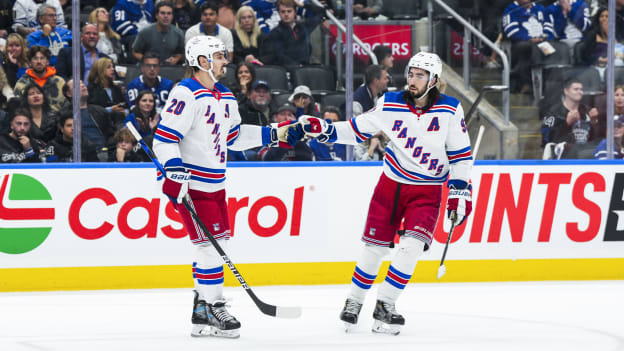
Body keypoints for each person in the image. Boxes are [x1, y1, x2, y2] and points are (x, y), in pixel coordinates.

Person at [294, 52, 473, 334]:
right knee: (374, 248)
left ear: (434, 80)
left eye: (419, 75)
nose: (412, 80)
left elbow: (461, 156)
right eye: (410, 74)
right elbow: (356, 131)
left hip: (427, 191)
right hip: (391, 186)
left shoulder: (450, 109)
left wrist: (460, 192)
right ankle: (353, 301)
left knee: (411, 247)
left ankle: (385, 305)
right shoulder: (390, 103)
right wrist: (324, 129)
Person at [152, 35, 297, 338]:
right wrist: (175, 173)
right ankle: (213, 306)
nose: (224, 61)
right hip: (192, 184)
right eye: (218, 56)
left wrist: (273, 135)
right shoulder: (186, 93)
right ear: (203, 61)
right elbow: (164, 140)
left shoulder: (225, 95)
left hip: (216, 184)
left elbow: (233, 138)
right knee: (210, 247)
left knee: (211, 246)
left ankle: (201, 310)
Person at [502, 0, 554, 93]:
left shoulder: (540, 8)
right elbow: (511, 31)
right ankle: (527, 83)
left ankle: (548, 85)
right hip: (521, 43)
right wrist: (529, 39)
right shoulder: (511, 9)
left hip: (542, 41)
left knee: (554, 49)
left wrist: (545, 37)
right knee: (528, 48)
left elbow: (549, 24)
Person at [541, 77, 599, 159]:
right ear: (566, 91)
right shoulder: (554, 112)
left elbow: (595, 139)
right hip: (562, 157)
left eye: (581, 89)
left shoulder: (587, 111)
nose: (580, 92)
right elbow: (546, 140)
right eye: (576, 89)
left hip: (586, 154)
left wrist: (594, 122)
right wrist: (566, 123)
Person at [268, 0, 324, 66]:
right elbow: (280, 56)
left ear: (295, 12)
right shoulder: (275, 33)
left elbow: (322, 12)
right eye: (283, 12)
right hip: (287, 70)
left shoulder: (304, 27)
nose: (286, 14)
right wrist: (297, 67)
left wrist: (302, 5)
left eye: (289, 11)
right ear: (279, 14)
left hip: (305, 67)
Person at [14, 46, 66, 112]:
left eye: (42, 58)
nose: (39, 61)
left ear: (47, 62)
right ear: (30, 62)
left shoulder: (60, 82)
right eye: (35, 58)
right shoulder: (21, 83)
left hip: (56, 120)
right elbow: (18, 108)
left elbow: (66, 105)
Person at [132, 1, 185, 65]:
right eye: (162, 13)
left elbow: (182, 53)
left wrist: (176, 59)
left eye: (169, 13)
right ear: (156, 15)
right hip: (147, 68)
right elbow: (135, 52)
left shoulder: (179, 33)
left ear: (172, 16)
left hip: (170, 69)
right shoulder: (145, 32)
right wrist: (148, 61)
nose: (166, 16)